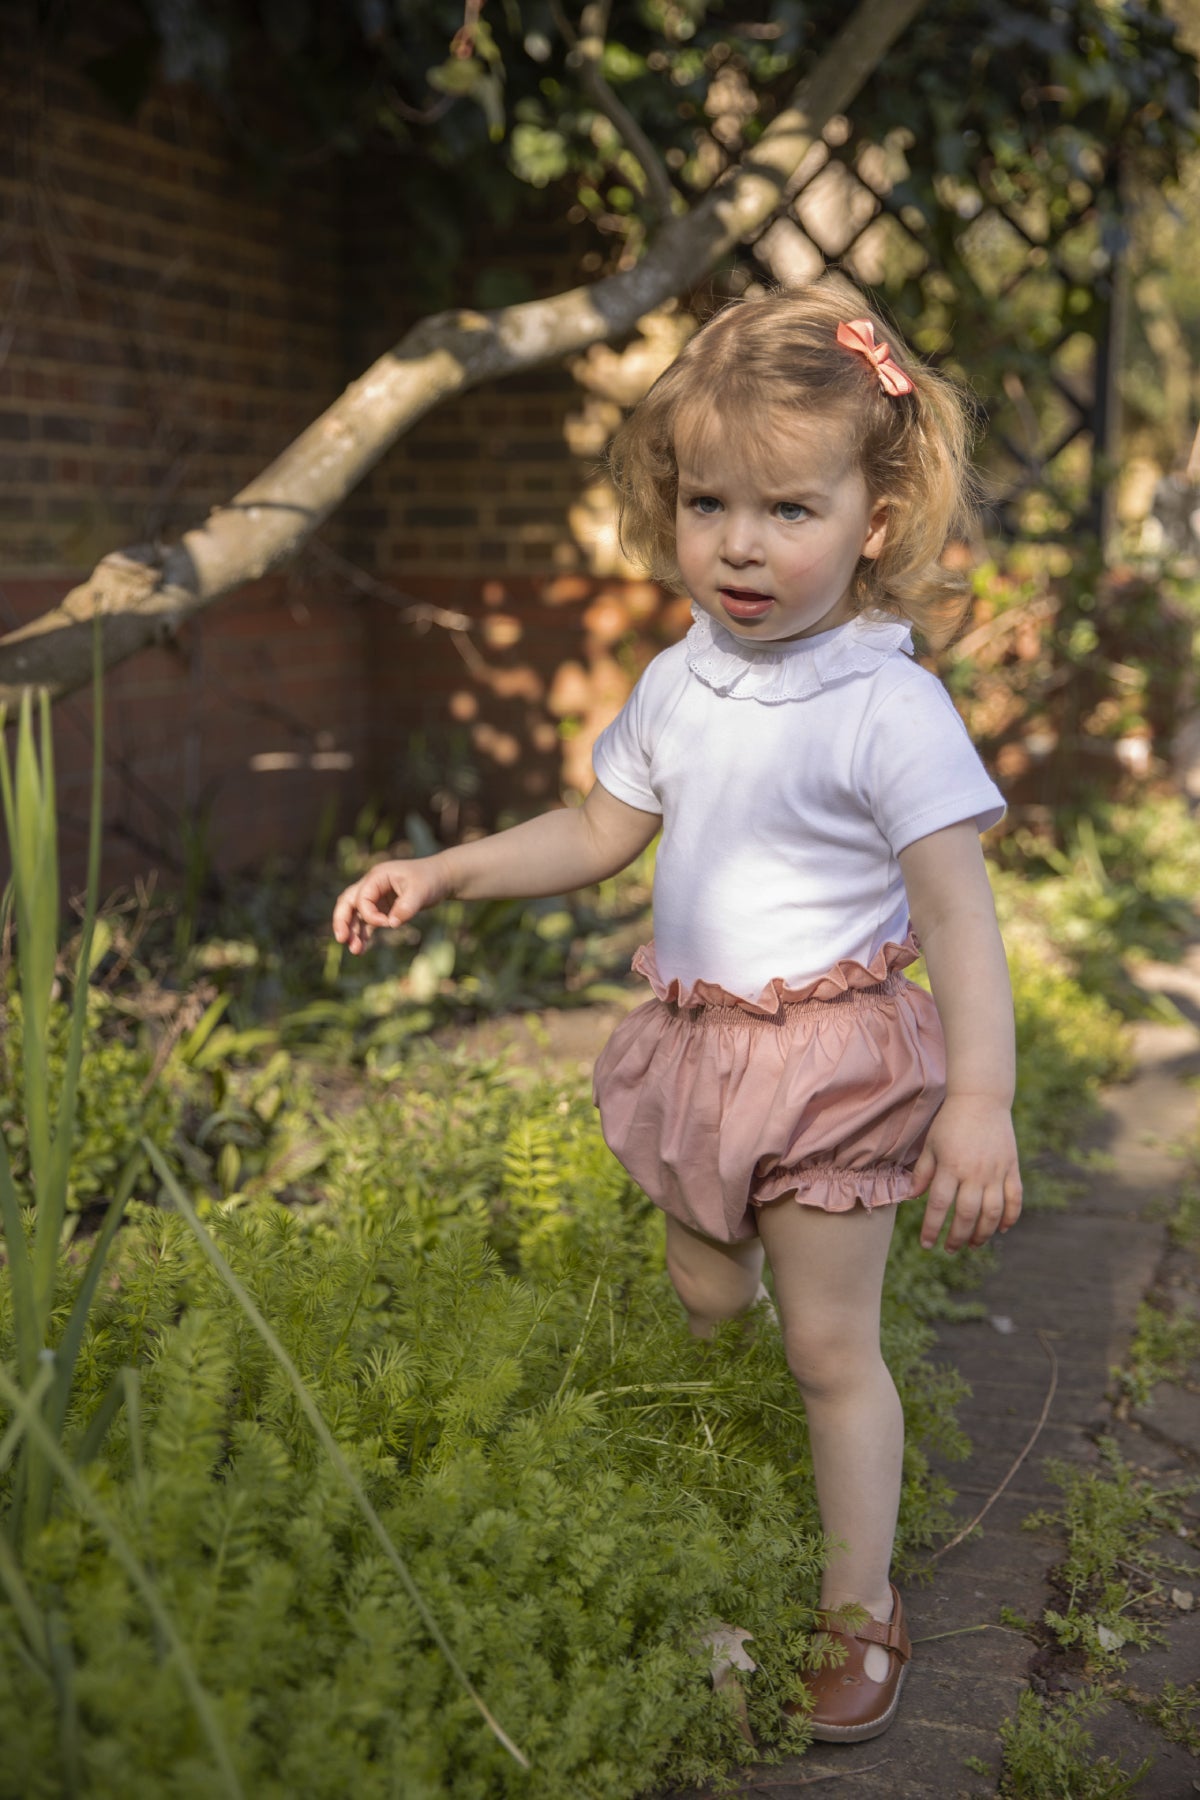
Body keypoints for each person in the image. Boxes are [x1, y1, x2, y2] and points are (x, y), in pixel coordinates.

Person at [331, 279, 1022, 1745]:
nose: (740, 545)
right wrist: (444, 872)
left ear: (878, 518)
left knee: (828, 1348)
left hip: (833, 1069)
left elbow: (961, 915)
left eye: (788, 509)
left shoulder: (886, 707)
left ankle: (858, 1604)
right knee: (708, 1298)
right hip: (699, 1055)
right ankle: (729, 1421)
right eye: (709, 503)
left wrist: (980, 1101)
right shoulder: (679, 680)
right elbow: (596, 830)